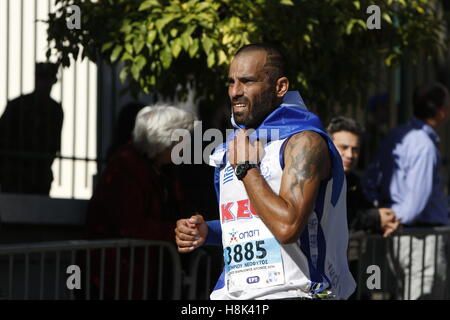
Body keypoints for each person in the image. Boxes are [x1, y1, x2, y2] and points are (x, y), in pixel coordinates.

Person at [175, 43, 356, 300]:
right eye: (231, 82)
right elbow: (254, 221)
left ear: (280, 87)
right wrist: (209, 232)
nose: (235, 92)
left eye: (247, 81)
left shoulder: (304, 142)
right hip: (236, 295)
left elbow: (287, 226)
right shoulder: (236, 147)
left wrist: (247, 169)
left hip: (296, 293)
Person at [83, 105, 196, 299]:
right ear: (162, 140)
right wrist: (176, 230)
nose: (186, 145)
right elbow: (129, 225)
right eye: (181, 139)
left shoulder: (165, 169)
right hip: (120, 278)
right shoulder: (126, 166)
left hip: (151, 274)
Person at [363, 82, 450, 299]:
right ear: (440, 111)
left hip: (398, 235)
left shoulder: (397, 135)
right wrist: (394, 220)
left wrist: (382, 215)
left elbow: (371, 180)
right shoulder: (424, 146)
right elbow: (416, 202)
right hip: (419, 239)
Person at [327, 116, 400, 237]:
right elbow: (341, 218)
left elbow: (364, 212)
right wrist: (376, 218)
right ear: (329, 146)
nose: (350, 155)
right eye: (343, 147)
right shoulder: (320, 180)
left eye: (355, 149)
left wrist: (388, 223)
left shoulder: (354, 181)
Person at [0, 62, 63, 195]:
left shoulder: (54, 110)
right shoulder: (18, 106)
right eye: (42, 78)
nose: (44, 83)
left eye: (46, 78)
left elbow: (53, 145)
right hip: (15, 174)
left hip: (36, 176)